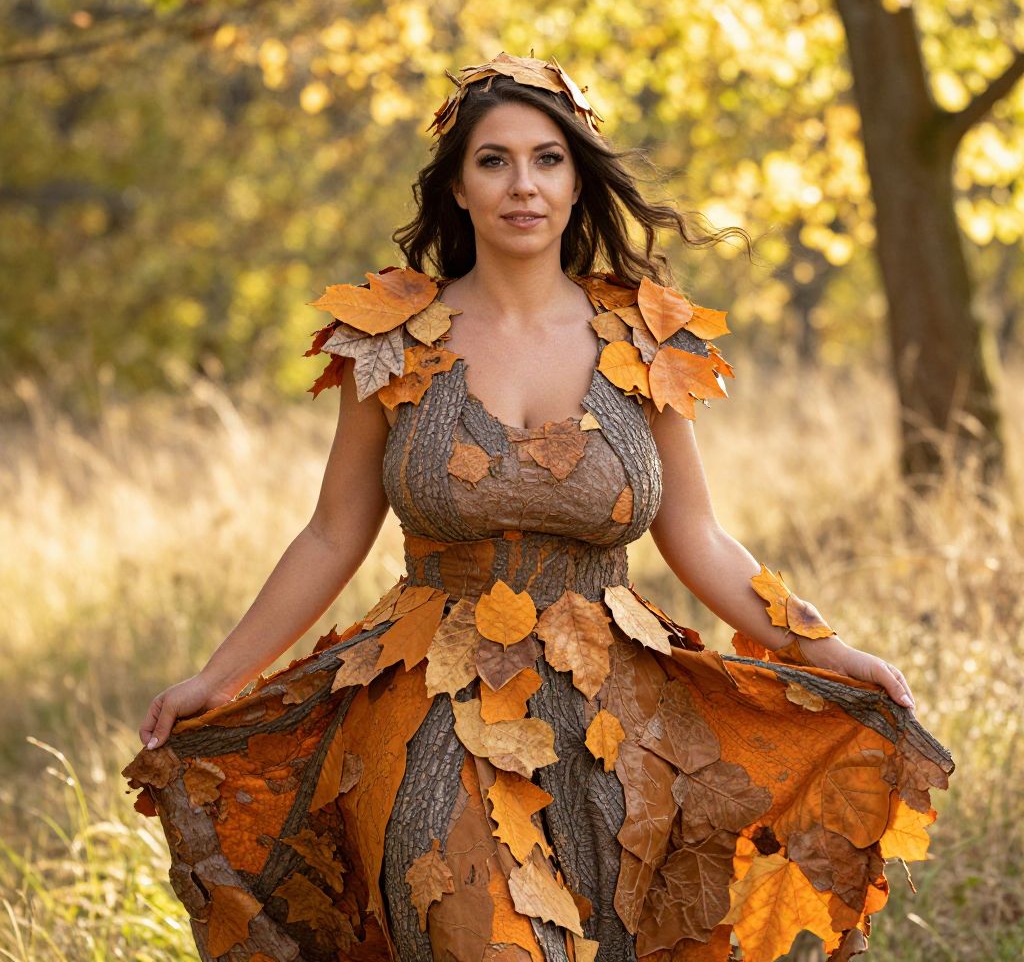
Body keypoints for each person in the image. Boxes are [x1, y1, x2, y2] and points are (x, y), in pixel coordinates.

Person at [125, 52, 953, 962]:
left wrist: (819, 644)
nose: (524, 184)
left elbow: (699, 537)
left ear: (576, 180)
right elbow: (331, 534)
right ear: (459, 188)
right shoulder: (392, 338)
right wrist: (220, 677)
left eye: (548, 159)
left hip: (619, 721)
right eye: (494, 160)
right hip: (432, 700)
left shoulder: (644, 334)